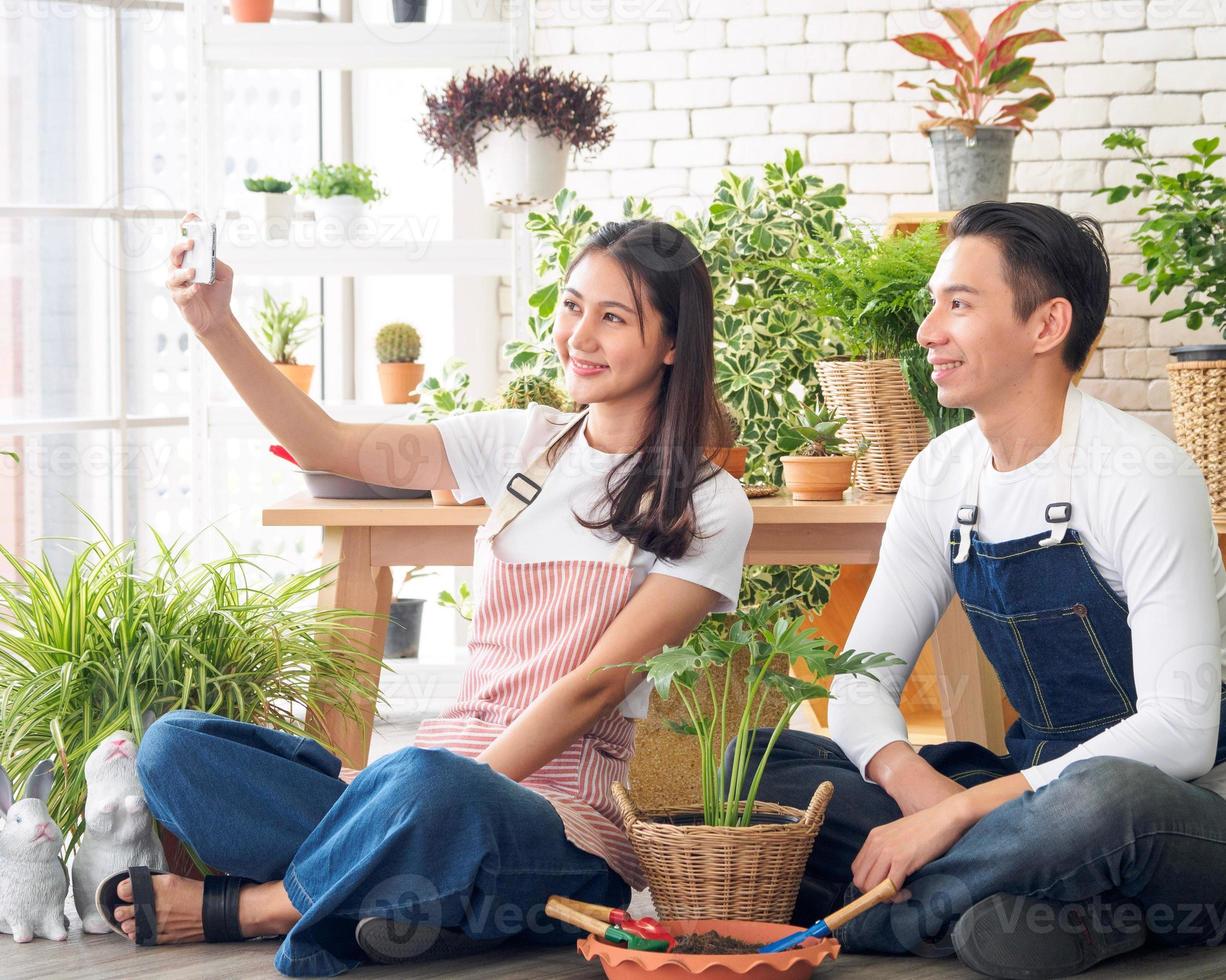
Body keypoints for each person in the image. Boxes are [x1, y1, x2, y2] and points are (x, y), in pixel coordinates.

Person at [106, 214, 753, 976]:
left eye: (613, 318)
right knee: (176, 745)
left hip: (558, 831)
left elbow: (591, 691)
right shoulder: (521, 444)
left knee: (430, 784)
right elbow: (329, 447)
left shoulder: (707, 504)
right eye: (573, 305)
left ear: (674, 344)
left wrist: (432, 791)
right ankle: (404, 898)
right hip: (433, 779)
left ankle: (259, 906)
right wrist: (214, 326)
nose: (580, 335)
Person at [730, 202, 1226, 978]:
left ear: (1046, 324)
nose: (928, 330)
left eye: (958, 304)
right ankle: (1061, 915)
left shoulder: (1144, 474)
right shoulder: (941, 473)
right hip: (1023, 797)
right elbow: (860, 682)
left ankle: (882, 922)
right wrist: (917, 787)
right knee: (752, 763)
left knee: (1102, 802)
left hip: (1175, 809)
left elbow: (1183, 734)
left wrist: (960, 814)